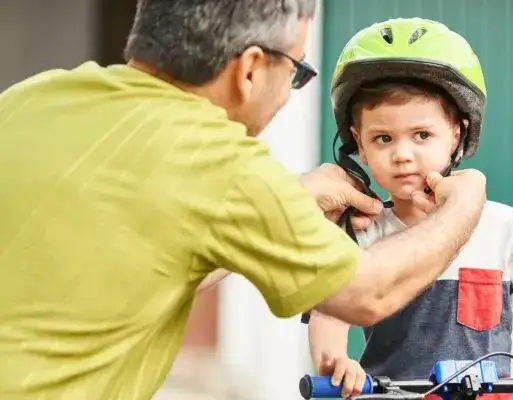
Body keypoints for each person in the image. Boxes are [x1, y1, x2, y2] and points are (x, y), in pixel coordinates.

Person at [0, 2, 488, 399]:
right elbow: (367, 294)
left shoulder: (31, 98)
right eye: (296, 72)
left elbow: (133, 260)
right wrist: (463, 209)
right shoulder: (221, 162)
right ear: (251, 68)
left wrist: (288, 200)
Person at [306, 18, 513, 400]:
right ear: (357, 146)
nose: (402, 154)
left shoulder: (500, 226)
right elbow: (330, 311)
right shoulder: (363, 232)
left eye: (422, 135)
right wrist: (336, 362)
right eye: (382, 138)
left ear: (457, 135)